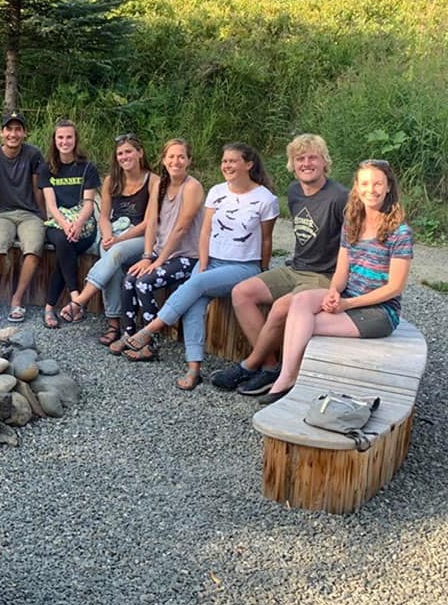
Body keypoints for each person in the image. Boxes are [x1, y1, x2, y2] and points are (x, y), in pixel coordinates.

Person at [120, 143, 279, 391]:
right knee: (193, 305)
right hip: (211, 261)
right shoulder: (217, 191)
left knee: (194, 284)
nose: (226, 165)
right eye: (224, 161)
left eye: (233, 161)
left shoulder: (265, 199)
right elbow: (205, 232)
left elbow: (267, 239)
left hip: (243, 266)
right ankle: (194, 369)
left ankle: (149, 330)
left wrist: (263, 268)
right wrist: (204, 263)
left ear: (249, 164)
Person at [259, 159, 413, 404]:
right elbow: (341, 272)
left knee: (305, 324)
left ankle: (288, 377)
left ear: (388, 187)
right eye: (365, 184)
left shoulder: (399, 232)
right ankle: (288, 375)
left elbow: (395, 287)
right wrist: (333, 292)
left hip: (379, 312)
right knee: (300, 301)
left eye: (377, 184)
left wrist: (347, 304)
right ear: (357, 187)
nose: (371, 190)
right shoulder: (352, 222)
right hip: (349, 296)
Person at [211, 134, 349, 395]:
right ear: (292, 165)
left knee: (280, 308)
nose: (306, 164)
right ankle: (270, 367)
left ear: (324, 162)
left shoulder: (340, 197)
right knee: (242, 292)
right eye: (300, 159)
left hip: (323, 275)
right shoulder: (294, 191)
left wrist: (340, 285)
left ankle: (249, 365)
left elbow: (353, 243)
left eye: (312, 158)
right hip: (295, 267)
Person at [112, 139, 203, 355]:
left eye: (181, 157)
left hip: (187, 256)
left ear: (189, 160)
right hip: (160, 252)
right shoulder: (160, 185)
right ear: (163, 160)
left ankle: (150, 343)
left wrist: (158, 262)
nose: (176, 161)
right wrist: (147, 256)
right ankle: (128, 334)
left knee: (144, 282)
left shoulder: (192, 187)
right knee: (129, 279)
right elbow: (151, 222)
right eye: (171, 156)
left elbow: (181, 228)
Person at [60, 133, 152, 341]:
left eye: (128, 152)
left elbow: (150, 222)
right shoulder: (112, 180)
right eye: (120, 154)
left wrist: (118, 240)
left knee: (115, 252)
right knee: (111, 259)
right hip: (114, 232)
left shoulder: (152, 181)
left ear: (140, 153)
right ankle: (114, 324)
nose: (124, 157)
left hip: (141, 236)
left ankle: (80, 301)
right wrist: (108, 236)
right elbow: (103, 216)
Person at [0, 111, 46, 323]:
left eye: (18, 129)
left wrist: (45, 217)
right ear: (1, 132)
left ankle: (17, 300)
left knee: (34, 247)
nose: (13, 134)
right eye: (9, 129)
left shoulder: (33, 154)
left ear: (24, 133)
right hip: (2, 213)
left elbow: (37, 188)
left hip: (30, 213)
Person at [38, 119, 100, 328]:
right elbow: (51, 206)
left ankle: (49, 307)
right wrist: (66, 226)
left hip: (84, 223)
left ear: (75, 139)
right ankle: (76, 299)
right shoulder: (47, 168)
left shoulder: (87, 167)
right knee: (64, 242)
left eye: (69, 137)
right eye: (60, 137)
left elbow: (89, 203)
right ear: (54, 140)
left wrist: (78, 224)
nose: (64, 142)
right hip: (58, 223)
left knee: (66, 251)